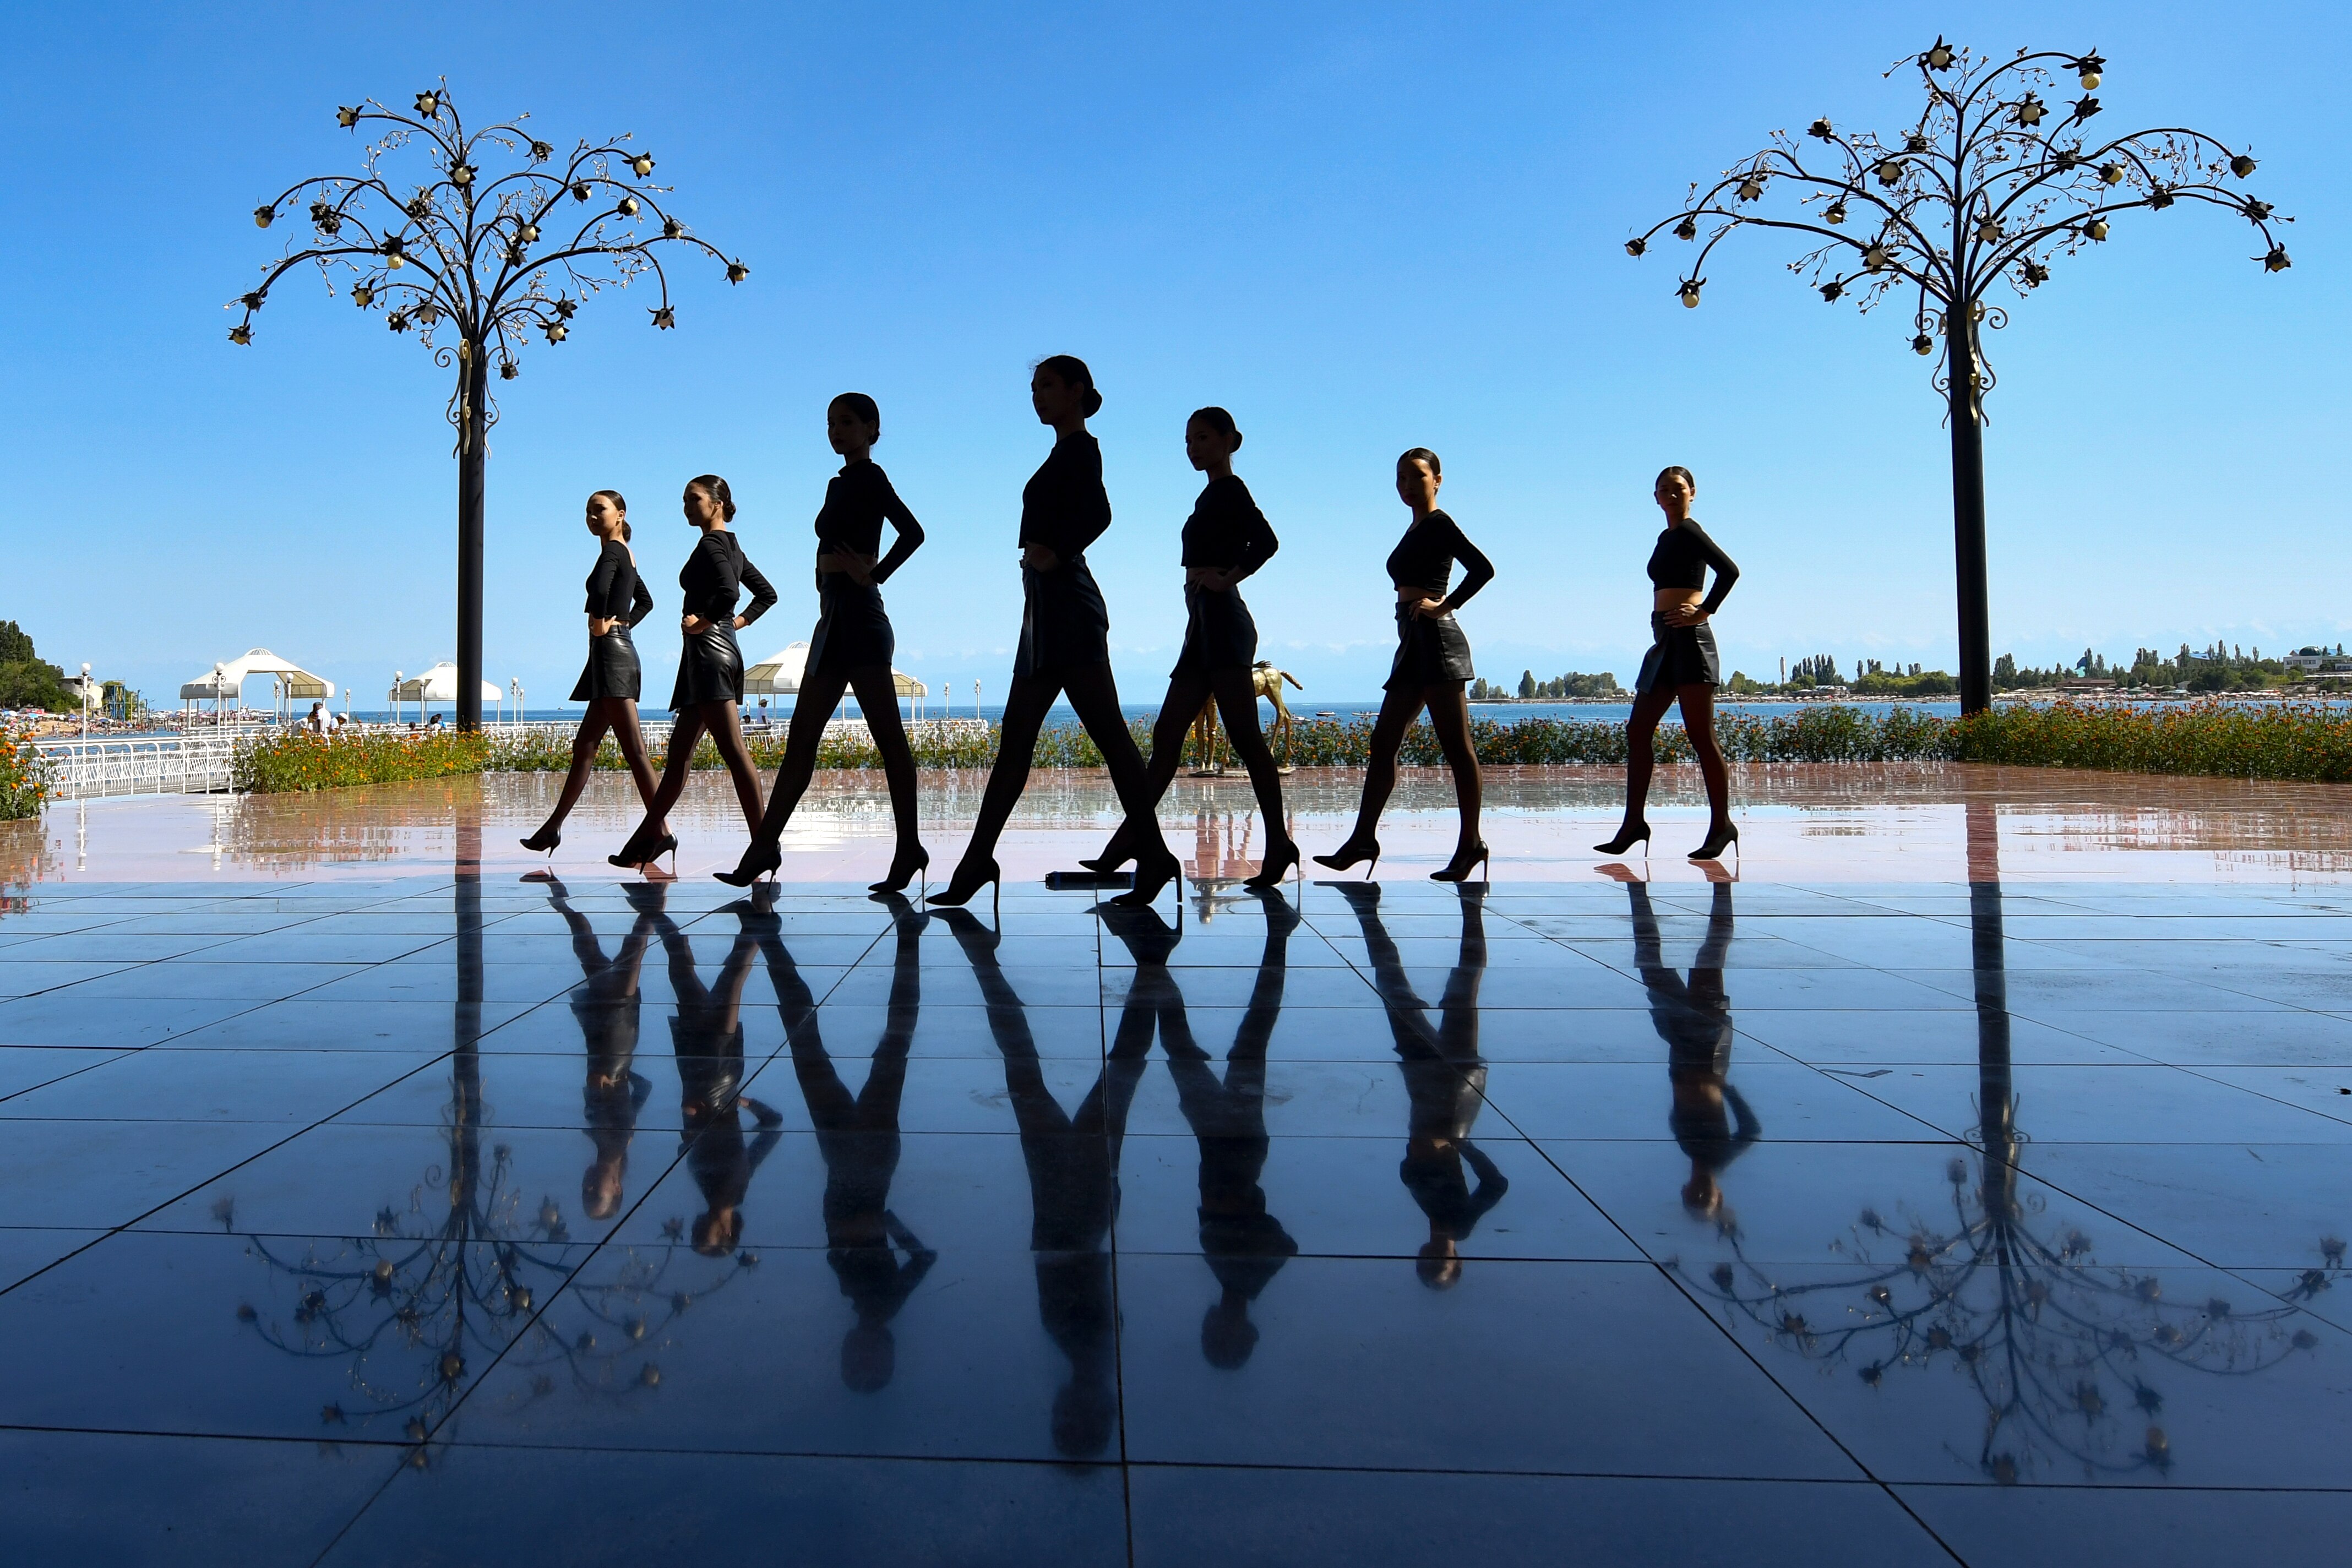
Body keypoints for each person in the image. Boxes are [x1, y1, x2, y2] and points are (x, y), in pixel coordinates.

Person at [929, 356, 1178, 910]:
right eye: (1034, 388)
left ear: (1077, 390)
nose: (1037, 396)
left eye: (1047, 386)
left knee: (1110, 738)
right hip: (1043, 615)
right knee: (1016, 744)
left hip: (1067, 607)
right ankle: (977, 862)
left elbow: (1100, 512)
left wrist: (1054, 551)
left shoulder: (1082, 449)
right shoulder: (1061, 453)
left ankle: (1154, 857)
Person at [1074, 407, 1299, 889]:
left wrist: (1228, 577)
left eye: (1202, 438)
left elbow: (1267, 542)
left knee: (1243, 737)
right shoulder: (1209, 496)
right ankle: (1133, 839)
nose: (1193, 447)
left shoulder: (1231, 490)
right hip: (1202, 628)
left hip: (1222, 624)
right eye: (1187, 440)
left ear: (1229, 441)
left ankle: (1278, 844)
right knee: (1167, 735)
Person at [717, 395, 928, 892]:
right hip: (832, 622)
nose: (836, 431)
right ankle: (765, 846)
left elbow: (913, 533)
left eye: (847, 422)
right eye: (830, 423)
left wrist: (875, 574)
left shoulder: (871, 478)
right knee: (800, 744)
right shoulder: (838, 483)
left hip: (861, 620)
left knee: (890, 741)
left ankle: (909, 847)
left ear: (872, 428)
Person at [1314, 448, 1494, 882]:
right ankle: (1362, 840)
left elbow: (1483, 569)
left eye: (1416, 476)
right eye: (1401, 479)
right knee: (1384, 744)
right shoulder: (1416, 528)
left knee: (1458, 749)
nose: (1407, 486)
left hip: (1439, 643)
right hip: (1412, 645)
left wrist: (1443, 606)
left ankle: (1471, 844)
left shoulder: (1440, 524)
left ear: (1438, 480)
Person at [1332, 880, 1506, 1289]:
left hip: (1433, 1089)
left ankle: (1461, 902)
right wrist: (1465, 1147)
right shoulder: (1460, 1225)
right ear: (1456, 1261)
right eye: (1438, 1266)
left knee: (1433, 989)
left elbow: (1419, 1164)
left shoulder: (1431, 1215)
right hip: (1450, 1094)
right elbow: (1496, 1184)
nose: (1429, 1259)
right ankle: (1379, 907)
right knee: (1441, 989)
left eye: (1424, 1266)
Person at [609, 475, 778, 875]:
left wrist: (705, 622)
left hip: (708, 655)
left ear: (718, 504)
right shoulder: (731, 544)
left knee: (734, 752)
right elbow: (766, 594)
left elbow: (730, 591)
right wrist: (735, 624)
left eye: (695, 499)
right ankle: (651, 836)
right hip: (714, 653)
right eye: (684, 500)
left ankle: (763, 848)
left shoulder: (712, 543)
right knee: (679, 757)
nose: (687, 506)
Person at [1597, 466, 1741, 861]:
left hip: (1691, 641)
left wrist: (1704, 611)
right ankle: (1634, 824)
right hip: (1665, 643)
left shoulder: (1692, 532)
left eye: (1679, 489)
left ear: (1692, 492)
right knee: (1638, 729)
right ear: (1655, 497)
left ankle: (1722, 826)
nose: (1672, 495)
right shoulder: (1666, 537)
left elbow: (1730, 572)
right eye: (1664, 490)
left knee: (1701, 736)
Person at [521, 490, 662, 859]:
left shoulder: (614, 552)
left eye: (599, 509)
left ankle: (661, 831)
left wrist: (603, 623)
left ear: (620, 514)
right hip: (611, 653)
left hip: (611, 655)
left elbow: (602, 590)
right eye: (588, 511)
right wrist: (624, 624)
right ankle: (552, 829)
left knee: (634, 751)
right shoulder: (624, 554)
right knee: (585, 747)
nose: (592, 516)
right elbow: (645, 600)